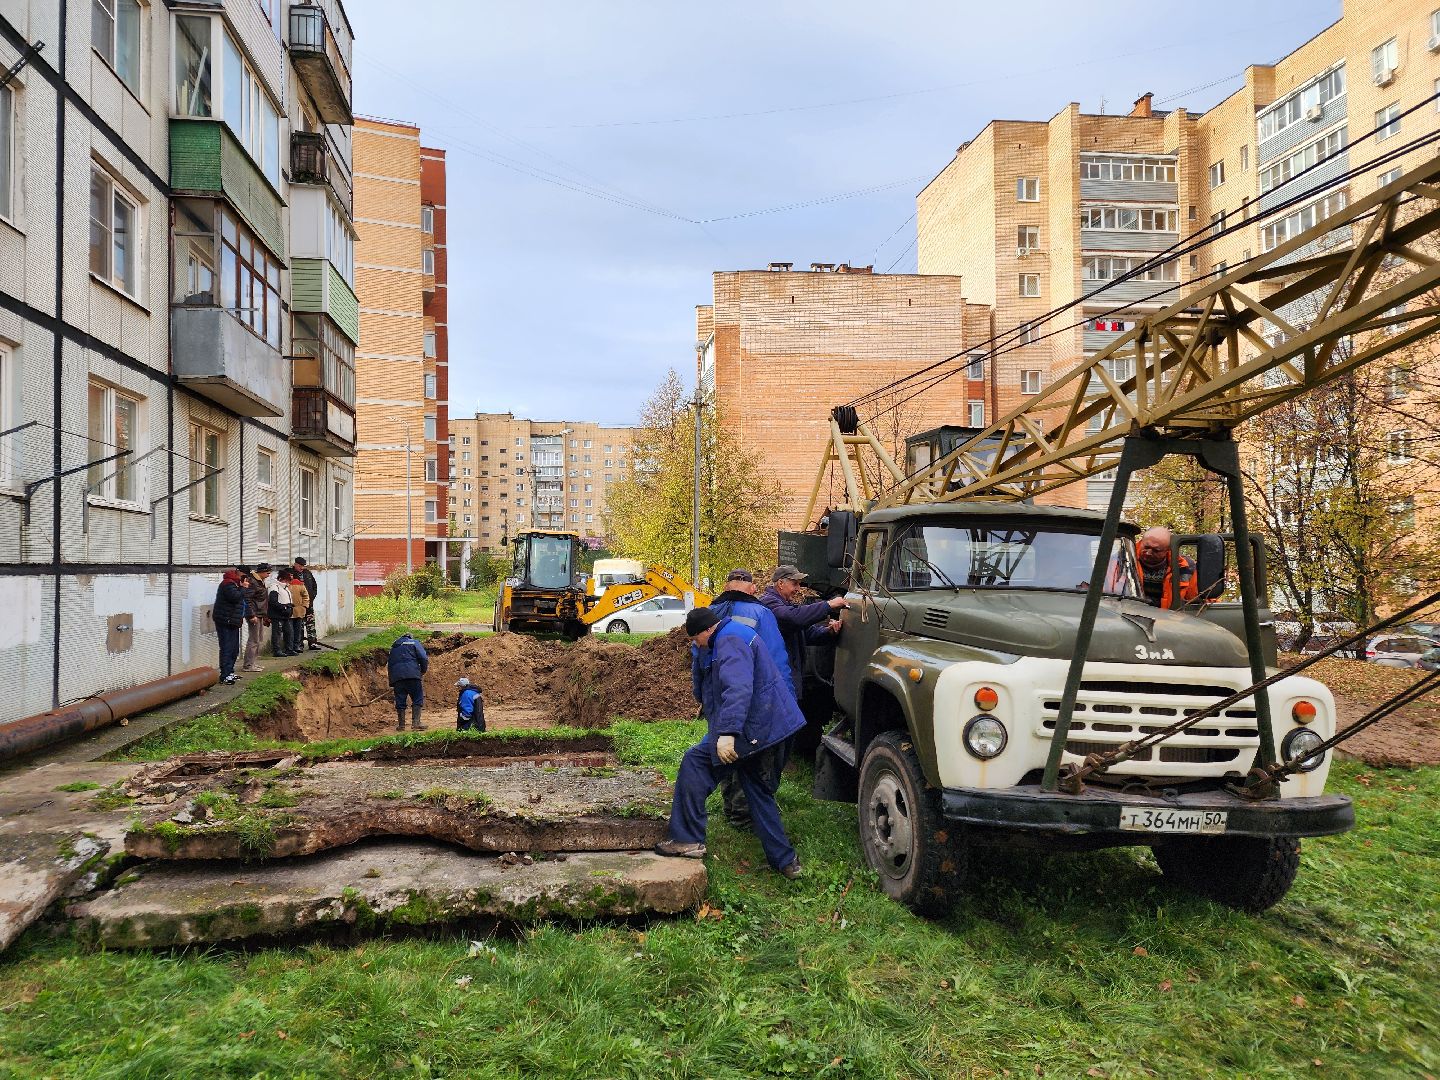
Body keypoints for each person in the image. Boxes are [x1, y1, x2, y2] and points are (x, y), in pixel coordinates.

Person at [655, 607, 806, 879]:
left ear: (705, 631)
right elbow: (707, 687)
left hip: (751, 729)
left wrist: (729, 733)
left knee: (695, 764)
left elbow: (737, 688)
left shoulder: (730, 640)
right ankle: (786, 861)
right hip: (765, 727)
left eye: (694, 639)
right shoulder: (728, 635)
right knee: (757, 790)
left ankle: (687, 838)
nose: (694, 644)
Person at [708, 569, 792, 830]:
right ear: (753, 589)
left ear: (726, 586)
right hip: (753, 695)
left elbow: (698, 656)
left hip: (721, 693)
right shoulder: (761, 614)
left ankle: (732, 807)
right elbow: (775, 658)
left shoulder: (710, 612)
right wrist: (785, 697)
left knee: (726, 745)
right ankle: (746, 816)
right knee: (754, 753)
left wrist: (703, 696)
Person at [758, 565, 848, 701]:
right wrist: (828, 605)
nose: (798, 589)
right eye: (795, 584)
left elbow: (807, 634)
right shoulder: (769, 602)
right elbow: (793, 618)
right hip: (776, 680)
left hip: (788, 678)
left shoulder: (785, 604)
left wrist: (829, 632)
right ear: (781, 584)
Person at [1136, 526, 1198, 610]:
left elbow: (1198, 600)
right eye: (1146, 547)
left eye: (1156, 550)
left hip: (1168, 618)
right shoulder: (1125, 558)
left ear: (1168, 550)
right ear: (1142, 541)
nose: (1148, 553)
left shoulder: (1186, 567)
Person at [388, 632, 430, 731]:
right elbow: (423, 657)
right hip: (412, 675)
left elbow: (390, 664)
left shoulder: (394, 647)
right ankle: (416, 723)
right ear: (410, 637)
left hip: (397, 678)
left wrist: (392, 681)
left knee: (400, 700)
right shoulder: (414, 643)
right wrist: (423, 670)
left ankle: (401, 725)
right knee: (417, 698)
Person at [213, 569, 246, 685]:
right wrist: (243, 588)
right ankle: (225, 675)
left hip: (233, 621)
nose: (245, 578)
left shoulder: (235, 584)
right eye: (243, 575)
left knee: (234, 648)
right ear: (237, 574)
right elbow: (235, 597)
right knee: (227, 648)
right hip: (225, 621)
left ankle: (230, 671)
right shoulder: (227, 584)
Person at [240, 564, 271, 672]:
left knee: (259, 639)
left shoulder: (259, 581)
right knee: (254, 640)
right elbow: (247, 599)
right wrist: (251, 615)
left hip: (259, 614)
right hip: (254, 615)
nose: (269, 574)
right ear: (261, 572)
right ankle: (248, 665)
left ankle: (253, 663)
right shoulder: (253, 581)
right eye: (267, 572)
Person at [293, 557, 321, 650]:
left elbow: (314, 586)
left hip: (309, 604)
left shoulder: (307, 573)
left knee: (311, 624)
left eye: (303, 566)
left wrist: (311, 597)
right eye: (300, 566)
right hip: (298, 605)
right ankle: (299, 645)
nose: (301, 568)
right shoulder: (291, 573)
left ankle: (312, 643)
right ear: (295, 564)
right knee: (299, 625)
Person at [268, 569, 296, 657]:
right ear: (281, 579)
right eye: (287, 580)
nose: (288, 582)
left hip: (286, 614)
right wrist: (284, 607)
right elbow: (273, 601)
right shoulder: (274, 587)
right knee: (277, 633)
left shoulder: (285, 588)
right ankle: (277, 650)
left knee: (289, 632)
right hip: (278, 614)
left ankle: (289, 649)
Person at [287, 568, 311, 661]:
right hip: (288, 612)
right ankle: (289, 647)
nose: (291, 577)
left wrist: (304, 606)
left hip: (299, 611)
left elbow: (306, 596)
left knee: (298, 630)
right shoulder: (283, 585)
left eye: (292, 575)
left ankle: (296, 646)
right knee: (289, 631)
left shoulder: (299, 584)